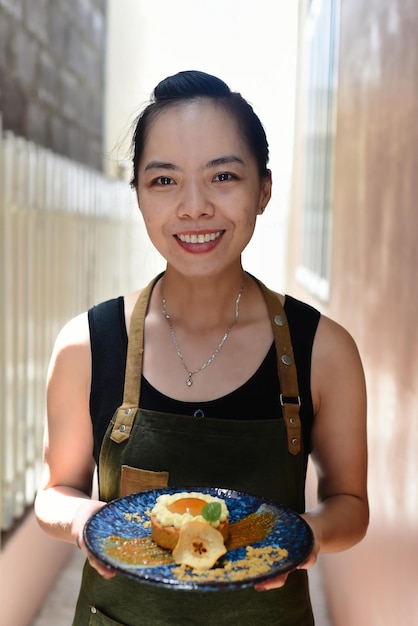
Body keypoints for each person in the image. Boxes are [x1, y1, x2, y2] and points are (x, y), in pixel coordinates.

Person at [35, 70, 368, 625]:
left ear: (263, 189)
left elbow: (350, 509)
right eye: (164, 181)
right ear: (138, 194)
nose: (193, 207)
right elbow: (54, 493)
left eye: (223, 176)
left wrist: (307, 537)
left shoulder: (322, 350)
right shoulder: (87, 345)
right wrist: (82, 521)